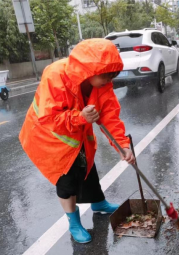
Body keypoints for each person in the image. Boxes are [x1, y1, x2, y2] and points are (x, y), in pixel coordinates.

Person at [19, 39, 135, 244]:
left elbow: (110, 117)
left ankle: (98, 203)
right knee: (66, 178)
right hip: (48, 135)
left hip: (75, 132)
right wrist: (80, 118)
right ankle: (73, 223)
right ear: (90, 69)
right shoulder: (55, 75)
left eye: (112, 76)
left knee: (86, 165)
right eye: (106, 75)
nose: (109, 80)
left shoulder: (102, 84)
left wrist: (122, 146)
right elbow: (49, 117)